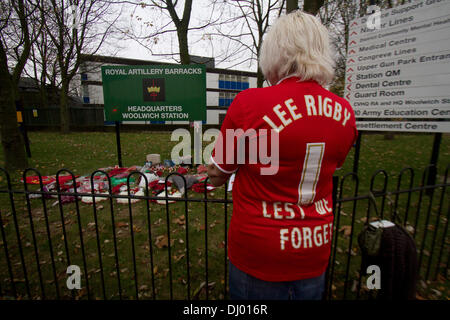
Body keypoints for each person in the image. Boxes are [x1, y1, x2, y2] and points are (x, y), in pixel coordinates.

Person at [207, 10, 357, 300]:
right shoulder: (345, 113)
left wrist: (216, 171)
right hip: (315, 248)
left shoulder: (249, 104)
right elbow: (334, 164)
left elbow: (217, 173)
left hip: (259, 252)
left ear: (274, 52)